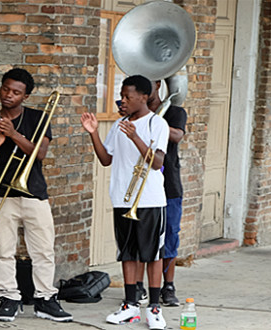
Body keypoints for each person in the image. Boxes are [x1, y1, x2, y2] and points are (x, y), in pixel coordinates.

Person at [0, 68, 73, 323]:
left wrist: (13, 134)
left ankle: (45, 299)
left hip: (34, 193)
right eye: (6, 89)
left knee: (43, 250)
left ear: (25, 96)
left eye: (16, 92)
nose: (8, 95)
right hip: (2, 194)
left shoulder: (38, 119)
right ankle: (9, 298)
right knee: (4, 249)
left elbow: (39, 154)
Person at [80, 75, 169, 329]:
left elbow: (158, 163)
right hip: (122, 198)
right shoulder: (119, 124)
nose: (123, 100)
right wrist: (94, 133)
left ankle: (153, 307)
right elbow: (106, 159)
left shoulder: (156, 124)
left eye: (128, 97)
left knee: (152, 254)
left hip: (150, 200)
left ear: (144, 97)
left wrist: (136, 138)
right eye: (122, 96)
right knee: (128, 253)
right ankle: (130, 305)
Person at [134, 80, 187, 307]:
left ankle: (168, 286)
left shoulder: (174, 112)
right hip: (139, 185)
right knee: (138, 238)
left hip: (169, 185)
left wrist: (153, 122)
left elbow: (176, 136)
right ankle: (136, 286)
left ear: (157, 84)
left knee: (170, 238)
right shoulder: (132, 111)